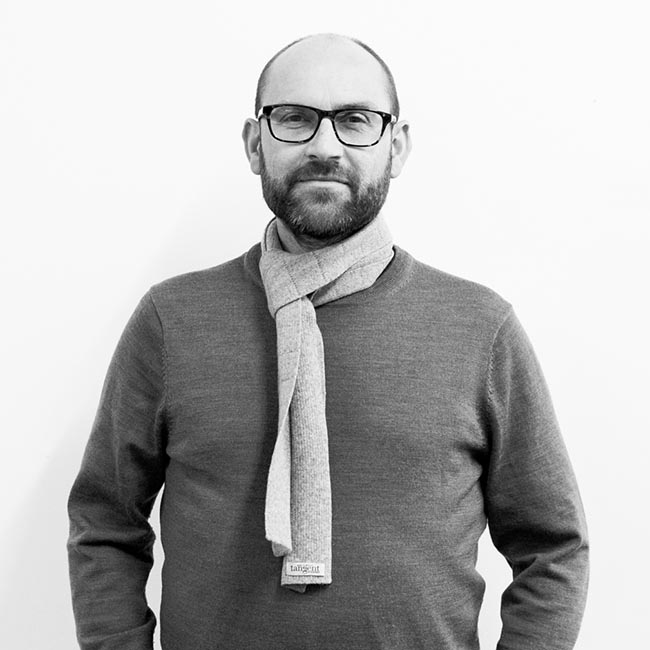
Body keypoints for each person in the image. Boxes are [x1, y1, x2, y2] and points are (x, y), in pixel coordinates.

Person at [67, 33, 589, 650]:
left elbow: (553, 547)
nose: (324, 146)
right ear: (254, 144)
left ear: (396, 147)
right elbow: (105, 523)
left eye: (355, 120)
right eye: (294, 118)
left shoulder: (479, 327)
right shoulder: (171, 320)